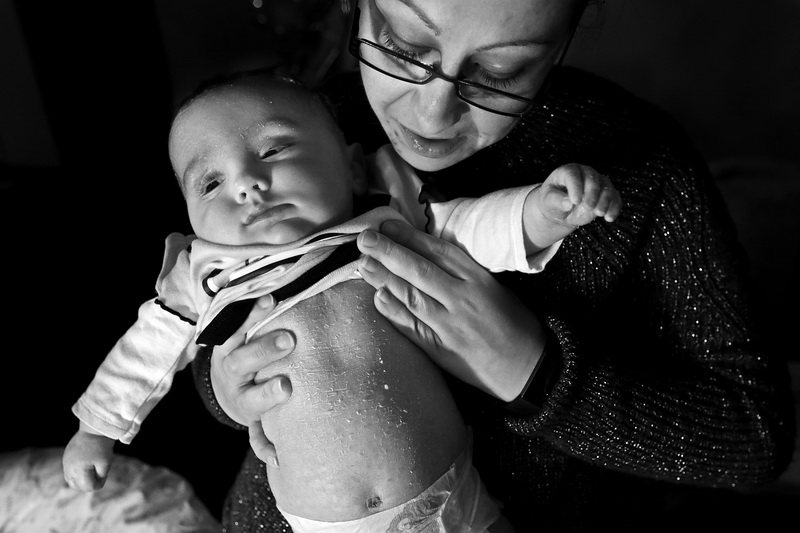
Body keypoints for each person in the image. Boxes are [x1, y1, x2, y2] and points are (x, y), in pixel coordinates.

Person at [200, 0, 797, 532]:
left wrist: (535, 374)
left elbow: (754, 438)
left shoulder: (640, 166)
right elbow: (208, 309)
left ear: (562, 41)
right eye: (405, 45)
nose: (433, 113)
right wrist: (224, 384)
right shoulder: (291, 133)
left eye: (500, 71)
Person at [62, 70, 620, 531]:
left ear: (352, 165)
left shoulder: (387, 218)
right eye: (209, 183)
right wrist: (97, 430)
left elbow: (471, 226)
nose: (246, 184)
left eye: (273, 149)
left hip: (452, 502)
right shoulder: (207, 275)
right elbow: (146, 350)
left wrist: (541, 213)